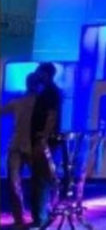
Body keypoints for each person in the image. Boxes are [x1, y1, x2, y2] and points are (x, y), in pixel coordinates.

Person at [2, 73, 41, 227]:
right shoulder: (19, 101)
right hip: (17, 146)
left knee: (37, 182)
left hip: (31, 147)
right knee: (14, 183)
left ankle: (38, 214)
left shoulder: (40, 103)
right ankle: (20, 218)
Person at [30, 63, 62, 227]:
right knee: (41, 178)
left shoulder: (50, 92)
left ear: (46, 74)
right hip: (43, 140)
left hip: (45, 142)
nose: (37, 74)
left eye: (39, 71)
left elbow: (51, 116)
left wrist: (43, 138)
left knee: (42, 179)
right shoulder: (46, 91)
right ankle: (43, 216)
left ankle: (41, 219)